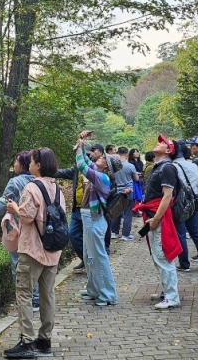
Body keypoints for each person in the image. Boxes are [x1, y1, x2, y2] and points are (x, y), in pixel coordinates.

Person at [3, 147, 63, 358]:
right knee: (48, 294)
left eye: (31, 162)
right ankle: (44, 339)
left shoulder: (31, 187)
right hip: (52, 250)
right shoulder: (58, 188)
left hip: (33, 250)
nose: (28, 165)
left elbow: (27, 217)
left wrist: (14, 209)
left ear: (39, 165)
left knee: (25, 294)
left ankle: (27, 341)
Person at [0, 151, 40, 310]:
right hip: (36, 227)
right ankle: (37, 298)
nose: (14, 165)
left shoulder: (15, 182)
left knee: (18, 263)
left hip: (17, 228)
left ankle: (28, 299)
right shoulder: (38, 180)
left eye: (16, 162)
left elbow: (3, 201)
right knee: (34, 261)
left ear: (22, 165)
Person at [133, 134, 183, 309]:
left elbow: (167, 196)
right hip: (152, 214)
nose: (158, 143)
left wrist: (155, 219)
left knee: (163, 255)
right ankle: (167, 290)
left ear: (169, 150)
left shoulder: (167, 168)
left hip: (158, 216)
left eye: (163, 143)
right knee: (157, 255)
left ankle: (172, 296)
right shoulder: (158, 167)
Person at [75, 130, 120, 307]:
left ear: (106, 166)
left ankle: (108, 295)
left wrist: (80, 147)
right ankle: (94, 290)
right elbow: (86, 161)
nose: (98, 158)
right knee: (89, 257)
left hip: (94, 220)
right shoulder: (98, 171)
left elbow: (82, 165)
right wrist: (81, 141)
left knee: (99, 258)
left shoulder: (102, 178)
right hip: (89, 218)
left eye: (102, 159)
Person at [55, 143, 105, 275]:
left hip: (91, 210)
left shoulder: (97, 172)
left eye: (90, 154)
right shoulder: (78, 169)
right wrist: (46, 171)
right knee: (73, 234)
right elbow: (63, 172)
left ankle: (94, 265)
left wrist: (80, 148)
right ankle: (85, 260)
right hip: (78, 209)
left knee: (92, 239)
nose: (88, 156)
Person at [173, 140, 198, 272]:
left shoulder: (173, 166)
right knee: (196, 233)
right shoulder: (193, 165)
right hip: (194, 201)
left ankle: (184, 264)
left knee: (181, 234)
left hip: (180, 204)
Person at [110, 147, 139, 241]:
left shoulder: (114, 166)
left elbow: (112, 177)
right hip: (128, 191)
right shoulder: (130, 166)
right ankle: (125, 235)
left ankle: (114, 232)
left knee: (116, 213)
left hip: (117, 191)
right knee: (127, 214)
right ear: (127, 154)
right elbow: (136, 179)